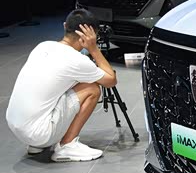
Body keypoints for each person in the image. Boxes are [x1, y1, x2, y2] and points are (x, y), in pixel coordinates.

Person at [5, 9, 117, 162]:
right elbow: (111, 80)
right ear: (90, 35)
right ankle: (67, 145)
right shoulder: (77, 60)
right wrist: (93, 49)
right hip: (40, 133)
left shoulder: (43, 46)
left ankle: (36, 145)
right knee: (92, 89)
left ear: (65, 26)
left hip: (16, 126)